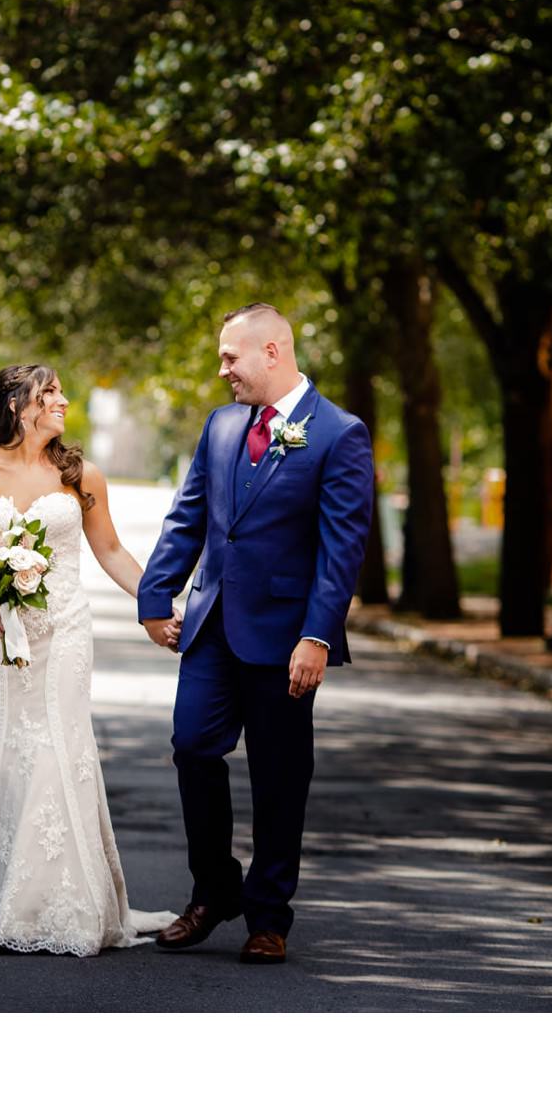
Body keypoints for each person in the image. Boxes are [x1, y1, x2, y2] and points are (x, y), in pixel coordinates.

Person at [0, 362, 176, 955]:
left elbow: (112, 550)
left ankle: (55, 900)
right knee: (1, 747)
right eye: (51, 393)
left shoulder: (80, 473)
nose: (64, 400)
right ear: (18, 406)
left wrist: (161, 605)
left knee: (59, 748)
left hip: (65, 631)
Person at [138, 303, 374, 964]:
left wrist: (318, 636)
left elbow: (341, 550)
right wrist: (156, 594)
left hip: (284, 634)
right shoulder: (219, 427)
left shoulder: (337, 433)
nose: (222, 371)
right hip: (211, 626)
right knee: (191, 747)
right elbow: (187, 516)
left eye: (229, 358)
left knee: (278, 776)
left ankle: (268, 915)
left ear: (271, 351)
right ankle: (214, 892)